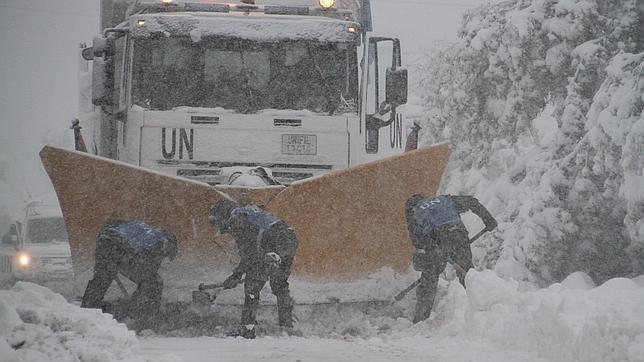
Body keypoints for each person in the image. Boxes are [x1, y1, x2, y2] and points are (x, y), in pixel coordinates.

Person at [209, 197, 299, 339]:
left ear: (224, 215)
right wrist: (237, 275)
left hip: (272, 242)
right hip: (288, 239)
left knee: (252, 285)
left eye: (217, 221)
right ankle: (286, 327)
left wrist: (236, 275)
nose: (218, 226)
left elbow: (250, 255)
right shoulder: (249, 214)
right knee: (279, 284)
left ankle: (247, 328)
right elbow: (252, 252)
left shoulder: (238, 219)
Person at [405, 194, 497, 323]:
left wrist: (434, 251)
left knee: (429, 278)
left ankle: (421, 318)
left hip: (438, 236)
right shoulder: (445, 200)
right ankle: (482, 311)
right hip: (459, 234)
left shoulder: (414, 211)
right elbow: (472, 201)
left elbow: (418, 241)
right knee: (467, 274)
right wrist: (489, 220)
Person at [81, 219, 178, 329]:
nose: (164, 261)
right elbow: (150, 271)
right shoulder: (162, 243)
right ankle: (140, 315)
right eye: (166, 259)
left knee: (103, 278)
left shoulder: (150, 232)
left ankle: (88, 307)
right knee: (153, 281)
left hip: (107, 239)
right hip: (114, 244)